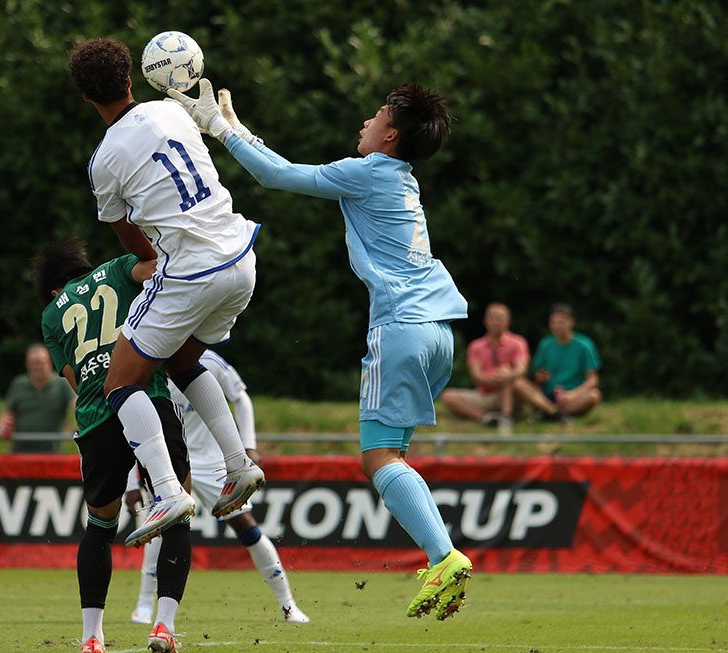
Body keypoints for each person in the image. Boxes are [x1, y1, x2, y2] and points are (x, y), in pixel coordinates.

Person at [169, 81, 472, 620]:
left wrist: (218, 130)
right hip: (442, 329)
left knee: (377, 459)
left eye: (375, 115)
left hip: (401, 328)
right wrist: (237, 129)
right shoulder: (402, 178)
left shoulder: (369, 172)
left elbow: (277, 175)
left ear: (390, 135)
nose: (365, 122)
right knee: (392, 456)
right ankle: (441, 555)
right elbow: (283, 164)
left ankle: (444, 556)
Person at [67, 38, 265, 549]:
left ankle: (168, 492)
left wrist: (152, 261)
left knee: (118, 383)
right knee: (180, 362)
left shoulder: (103, 160)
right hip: (241, 256)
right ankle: (239, 465)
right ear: (131, 78)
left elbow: (127, 235)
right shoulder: (172, 113)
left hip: (192, 273)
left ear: (85, 98)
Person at [33, 238, 192, 653]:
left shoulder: (52, 313)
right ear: (84, 265)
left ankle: (91, 637)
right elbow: (157, 267)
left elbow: (72, 377)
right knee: (178, 509)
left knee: (100, 528)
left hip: (96, 418)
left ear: (52, 288)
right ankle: (163, 628)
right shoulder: (119, 268)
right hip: (148, 396)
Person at [126, 350, 310, 626]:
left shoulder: (208, 360)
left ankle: (288, 605)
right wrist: (131, 482)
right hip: (172, 459)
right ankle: (144, 606)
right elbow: (130, 424)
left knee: (246, 526)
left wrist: (249, 445)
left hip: (213, 462)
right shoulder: (148, 359)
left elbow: (241, 398)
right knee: (161, 526)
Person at [440, 303, 558, 434]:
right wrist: (493, 378)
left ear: (507, 322)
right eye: (493, 318)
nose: (496, 322)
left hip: (513, 394)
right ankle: (487, 419)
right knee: (448, 396)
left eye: (500, 318)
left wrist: (505, 375)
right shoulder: (476, 346)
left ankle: (510, 416)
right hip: (485, 394)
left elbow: (521, 369)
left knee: (508, 374)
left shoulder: (518, 342)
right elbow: (476, 376)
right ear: (485, 321)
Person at [0, 343, 76, 453]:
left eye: (40, 363)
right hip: (20, 454)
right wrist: (3, 425)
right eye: (33, 363)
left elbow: (76, 405)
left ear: (50, 363)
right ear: (27, 365)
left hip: (52, 454)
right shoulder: (18, 383)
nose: (37, 367)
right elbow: (8, 412)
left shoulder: (62, 384)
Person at [528, 303, 602, 418]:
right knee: (523, 386)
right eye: (554, 322)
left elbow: (593, 379)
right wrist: (540, 378)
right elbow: (537, 378)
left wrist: (573, 394)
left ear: (571, 322)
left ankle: (549, 412)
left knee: (594, 395)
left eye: (561, 322)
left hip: (573, 394)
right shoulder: (545, 344)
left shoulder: (584, 345)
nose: (557, 326)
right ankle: (557, 412)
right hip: (548, 394)